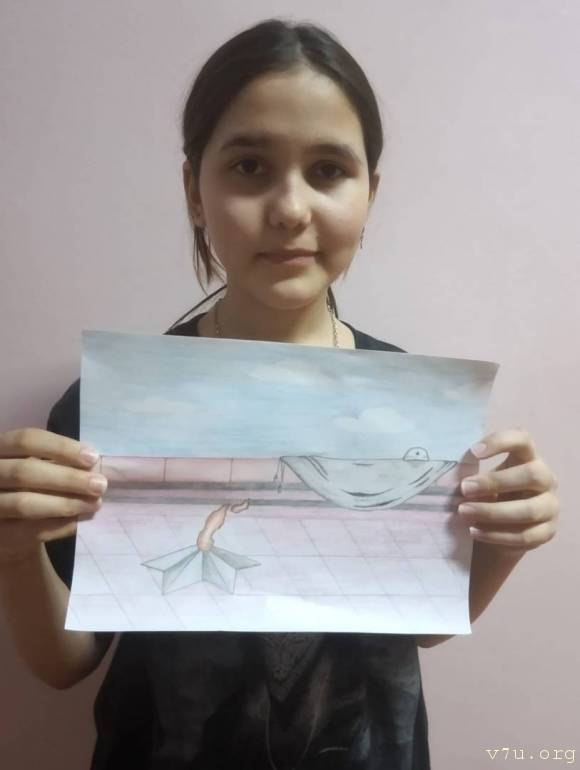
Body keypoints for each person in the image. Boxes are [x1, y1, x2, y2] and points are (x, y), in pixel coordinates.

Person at [0, 17, 559, 770]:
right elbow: (66, 661)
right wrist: (11, 551)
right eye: (249, 166)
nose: (291, 208)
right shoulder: (108, 406)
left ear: (370, 193)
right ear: (194, 190)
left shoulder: (413, 402)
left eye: (328, 170)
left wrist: (504, 543)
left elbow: (423, 624)